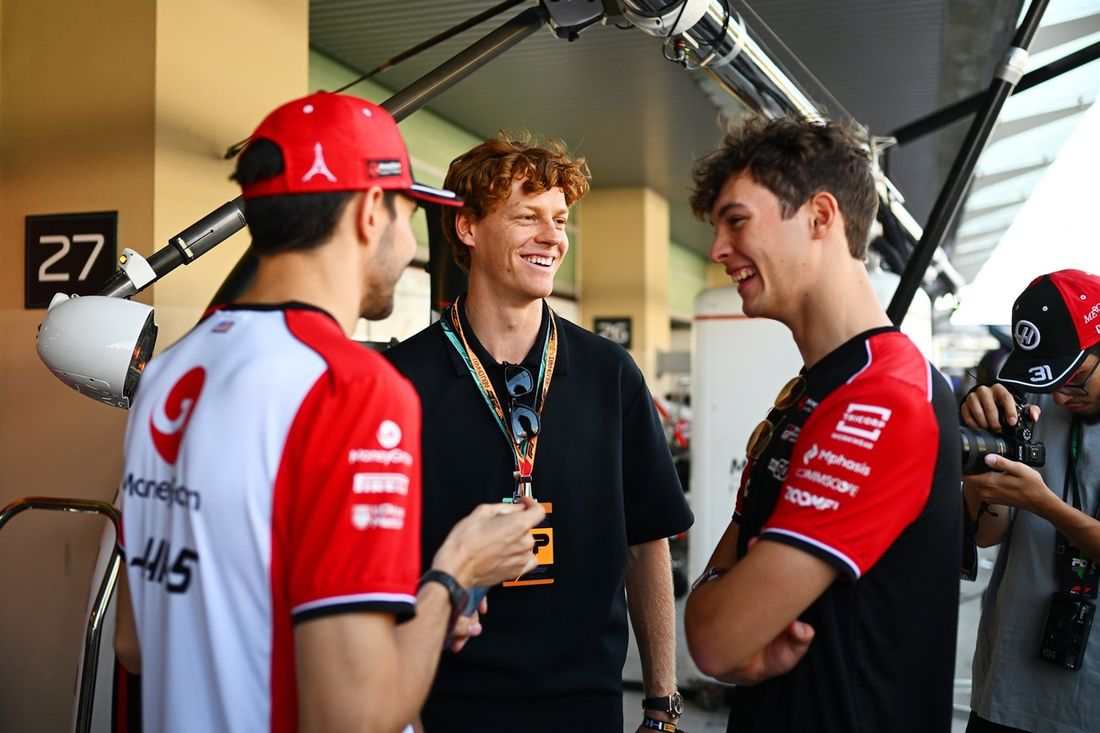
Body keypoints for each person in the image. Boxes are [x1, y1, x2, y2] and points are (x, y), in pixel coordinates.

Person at [111, 92, 546, 733]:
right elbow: (353, 716)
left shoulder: (170, 371)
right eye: (408, 214)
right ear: (372, 211)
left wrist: (405, 617)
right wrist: (455, 575)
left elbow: (136, 641)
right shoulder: (352, 387)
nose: (408, 243)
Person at [384, 134, 694, 732]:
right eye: (528, 217)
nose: (553, 237)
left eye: (560, 219)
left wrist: (661, 703)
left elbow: (647, 541)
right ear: (468, 227)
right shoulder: (399, 381)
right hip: (442, 703)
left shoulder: (611, 375)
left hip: (585, 706)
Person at [683, 118, 962, 732]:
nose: (718, 250)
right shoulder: (817, 391)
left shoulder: (884, 397)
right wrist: (719, 609)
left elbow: (714, 639)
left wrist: (721, 613)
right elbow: (711, 610)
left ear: (819, 217)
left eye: (737, 221)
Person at [961, 269, 1100, 733]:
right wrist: (984, 456)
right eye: (1050, 377)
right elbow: (987, 534)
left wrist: (1044, 504)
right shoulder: (1033, 404)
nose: (1061, 394)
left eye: (1075, 376)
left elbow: (1040, 507)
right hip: (1007, 687)